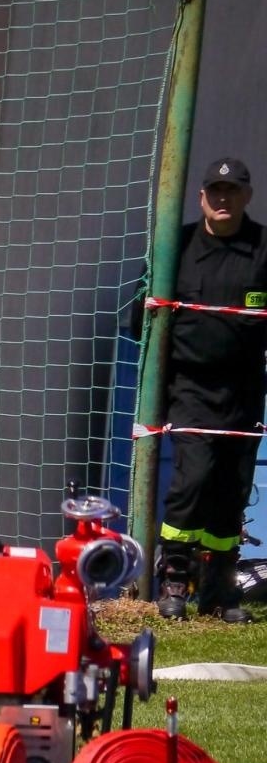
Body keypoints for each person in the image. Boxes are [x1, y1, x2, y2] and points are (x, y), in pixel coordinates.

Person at [152, 157, 267, 622]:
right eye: (215, 190)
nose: (223, 198)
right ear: (201, 196)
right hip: (191, 386)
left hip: (244, 389)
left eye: (232, 190)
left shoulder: (263, 247)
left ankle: (219, 590)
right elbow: (142, 311)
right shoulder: (176, 246)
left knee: (232, 488)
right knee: (193, 480)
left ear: (247, 196)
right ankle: (174, 580)